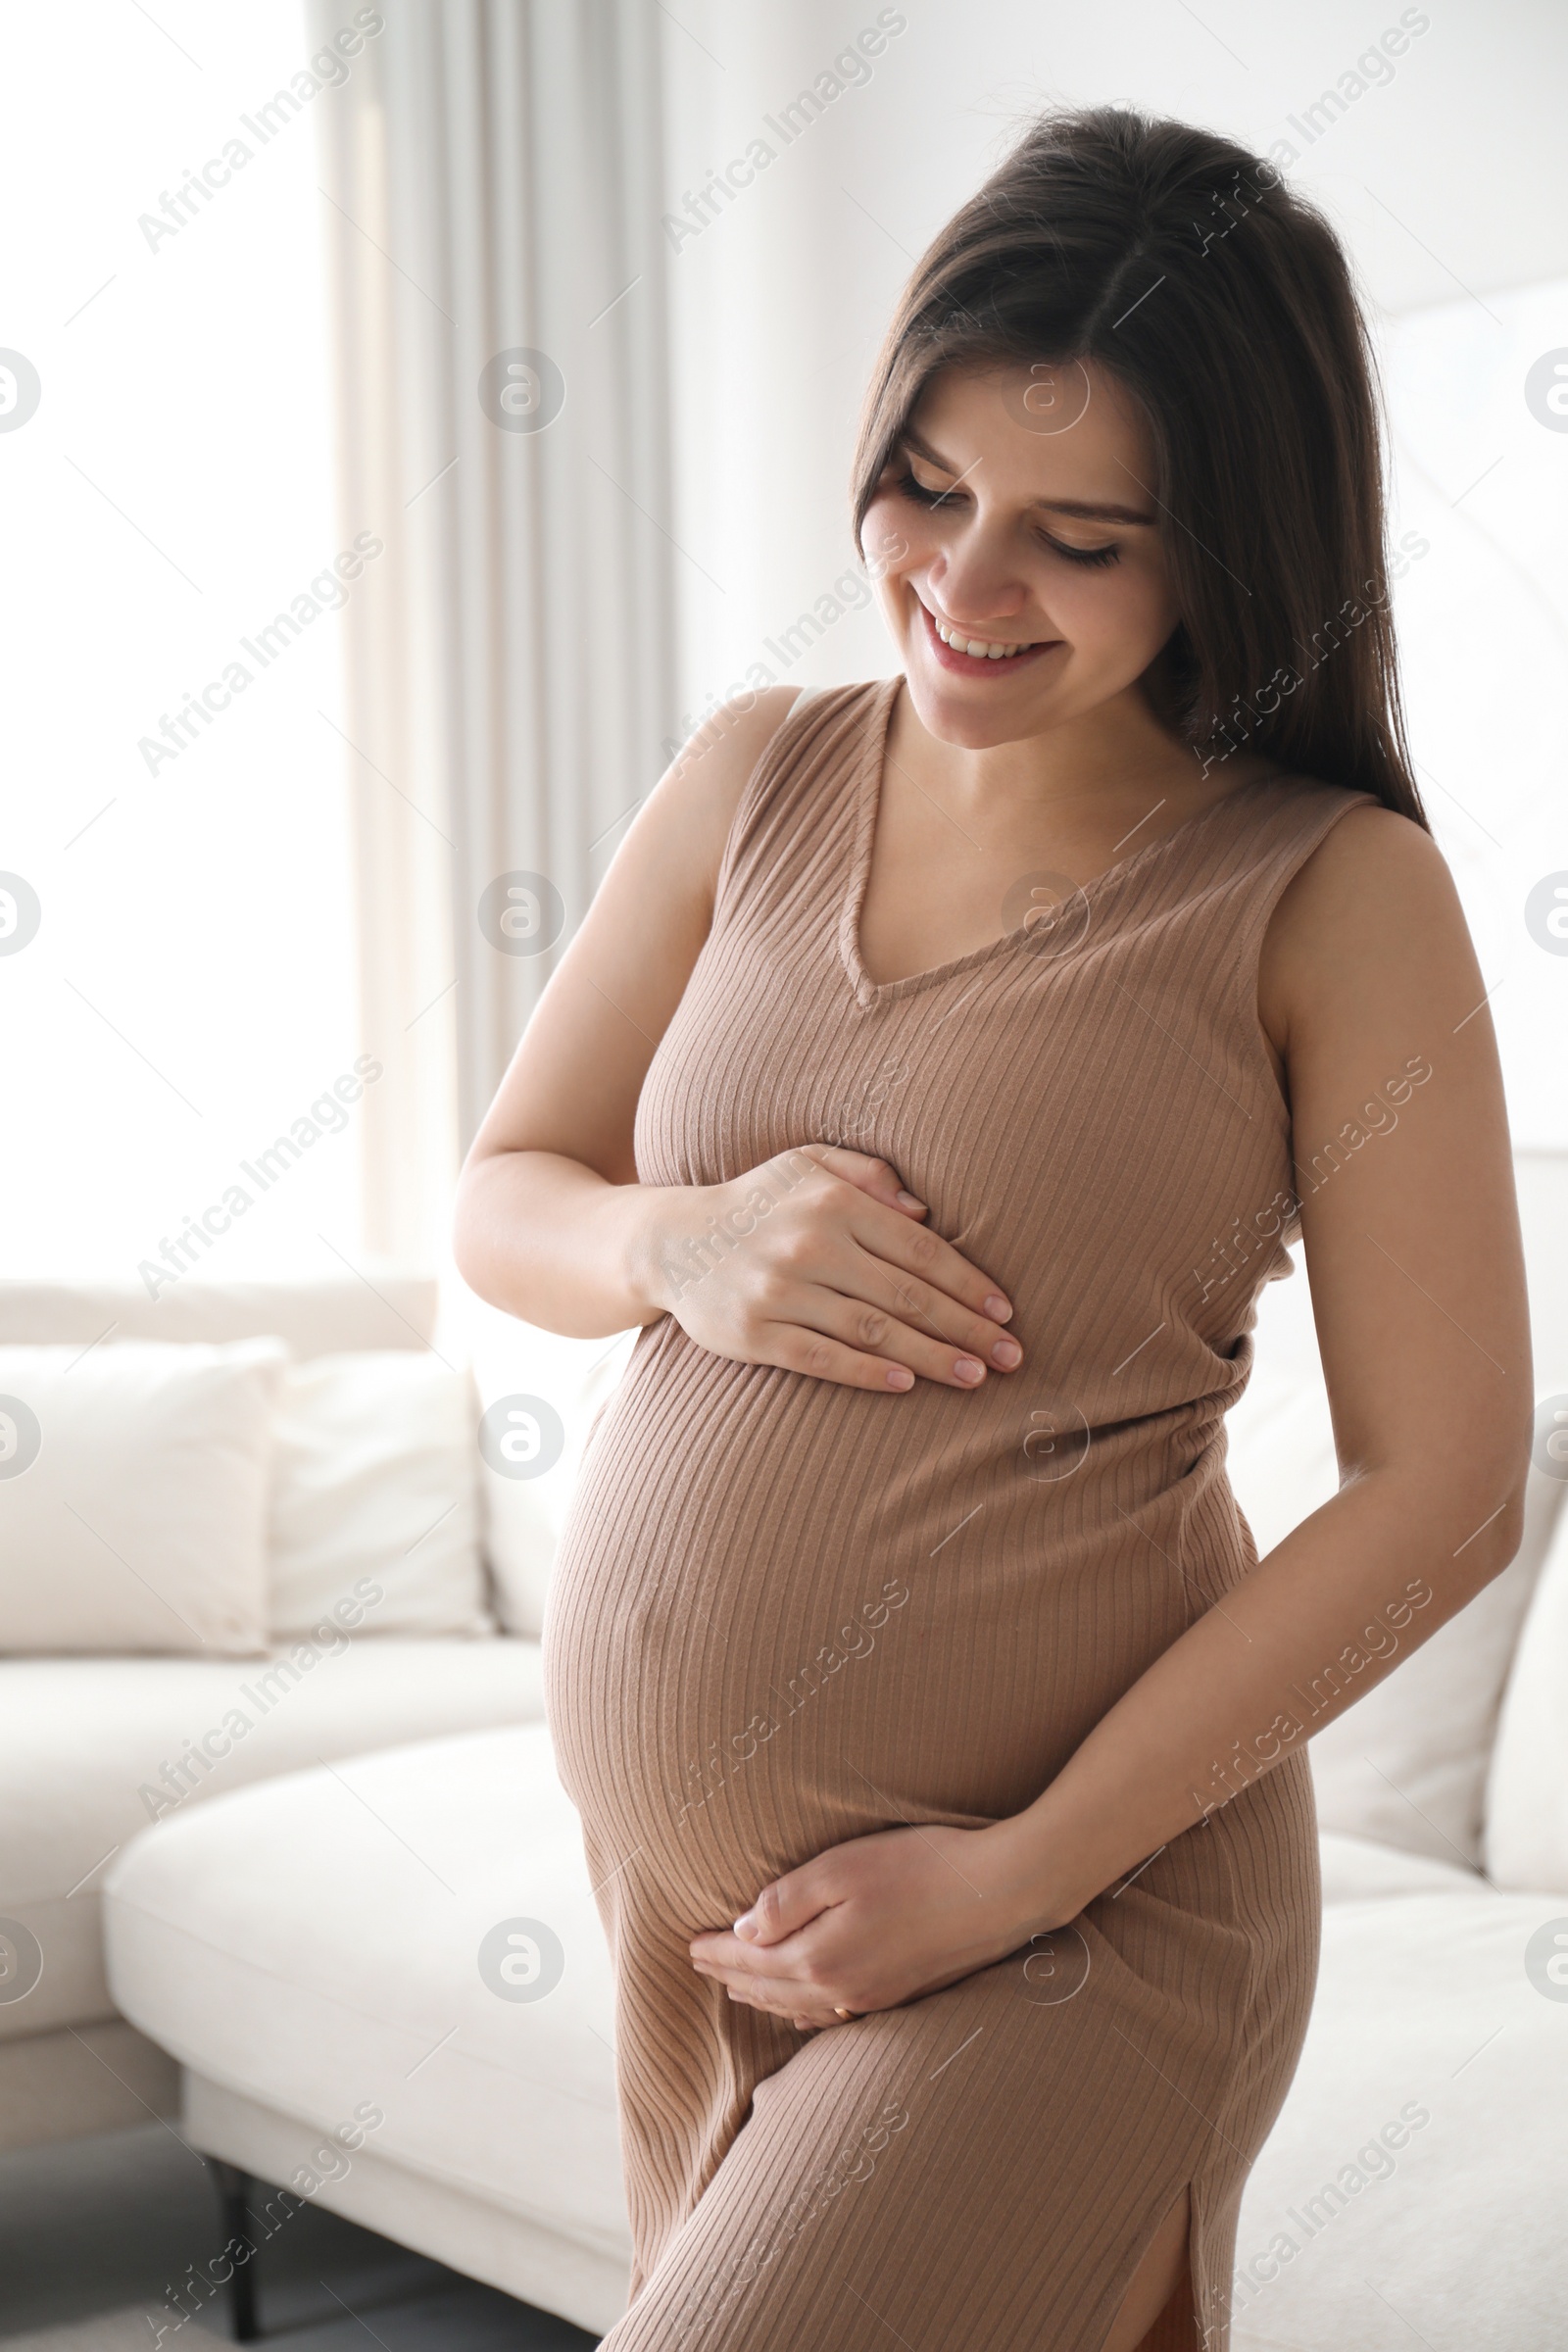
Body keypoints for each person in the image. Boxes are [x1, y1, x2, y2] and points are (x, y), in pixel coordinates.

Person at [453, 105, 1529, 2352]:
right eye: (923, 485)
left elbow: (1435, 1490)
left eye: (1079, 537)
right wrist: (677, 1244)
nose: (960, 577)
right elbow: (506, 1194)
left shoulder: (1324, 892)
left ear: (1227, 548)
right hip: (693, 1911)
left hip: (1072, 1914)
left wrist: (1011, 1875)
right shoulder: (751, 774)